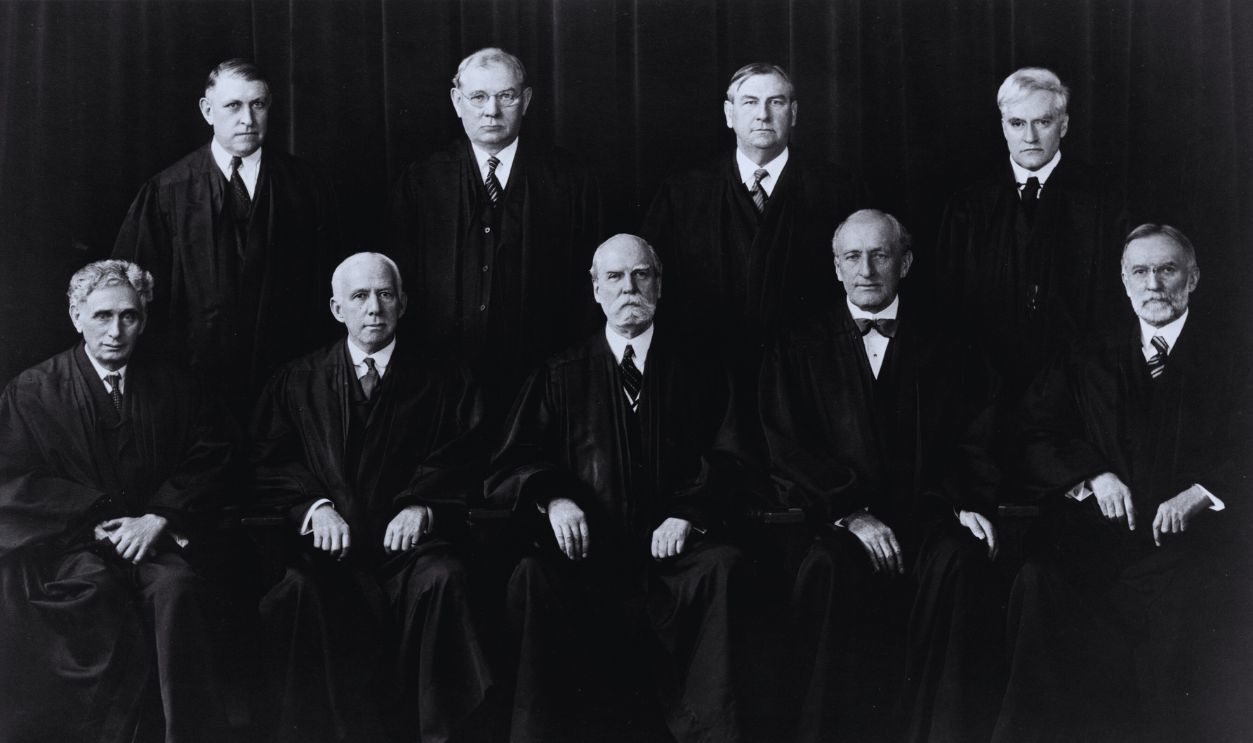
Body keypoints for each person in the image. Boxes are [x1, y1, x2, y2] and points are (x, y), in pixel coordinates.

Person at [995, 225, 1253, 743]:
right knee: (1040, 582)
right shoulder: (1086, 355)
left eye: (1168, 269)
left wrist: (1203, 493)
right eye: (1141, 271)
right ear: (1123, 279)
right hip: (1097, 543)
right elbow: (1034, 435)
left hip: (1191, 548)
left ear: (1193, 278)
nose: (1154, 284)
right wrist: (1093, 475)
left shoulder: (1233, 355)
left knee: (1190, 606)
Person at [488, 235, 748, 743]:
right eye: (614, 277)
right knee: (531, 576)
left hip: (673, 563)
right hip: (588, 562)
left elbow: (732, 457)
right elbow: (513, 460)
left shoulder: (699, 371)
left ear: (659, 284)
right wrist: (554, 498)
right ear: (595, 288)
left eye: (640, 275)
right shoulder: (559, 373)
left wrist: (689, 514)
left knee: (725, 567)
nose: (628, 287)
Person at [758, 210, 1003, 743]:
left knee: (962, 562)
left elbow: (976, 435)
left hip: (930, 516)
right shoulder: (797, 346)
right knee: (823, 569)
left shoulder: (951, 344)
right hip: (840, 524)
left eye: (881, 254)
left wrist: (965, 501)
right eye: (853, 257)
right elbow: (784, 446)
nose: (866, 269)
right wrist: (850, 512)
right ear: (836, 268)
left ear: (906, 262)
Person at [249, 252, 496, 743]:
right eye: (359, 297)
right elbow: (268, 461)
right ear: (337, 308)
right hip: (331, 554)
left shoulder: (444, 379)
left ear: (403, 303)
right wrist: (314, 508)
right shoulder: (298, 380)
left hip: (409, 553)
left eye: (385, 294)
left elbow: (469, 455)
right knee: (295, 591)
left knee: (445, 579)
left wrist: (421, 505)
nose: (374, 308)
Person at [0, 260, 235, 743]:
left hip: (153, 541)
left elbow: (210, 458)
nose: (115, 331)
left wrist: (158, 517)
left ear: (143, 320)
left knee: (178, 589)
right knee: (94, 598)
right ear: (76, 315)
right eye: (102, 316)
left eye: (128, 316)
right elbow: (14, 479)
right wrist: (90, 519)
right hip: (70, 547)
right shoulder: (32, 392)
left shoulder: (177, 387)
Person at [113, 58, 341, 420]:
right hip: (192, 390)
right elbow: (135, 299)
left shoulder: (307, 186)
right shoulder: (167, 191)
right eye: (233, 105)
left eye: (258, 104)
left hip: (287, 385)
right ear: (207, 110)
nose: (247, 119)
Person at [387, 47, 605, 421]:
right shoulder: (422, 181)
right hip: (442, 384)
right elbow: (401, 284)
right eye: (478, 97)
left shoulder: (569, 180)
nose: (492, 110)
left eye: (506, 96)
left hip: (544, 382)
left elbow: (591, 287)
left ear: (527, 100)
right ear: (457, 101)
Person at [936, 66, 1129, 402]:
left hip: (1079, 389)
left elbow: (1117, 306)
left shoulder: (1104, 201)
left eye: (1042, 122)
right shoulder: (968, 207)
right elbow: (948, 305)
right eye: (1017, 123)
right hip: (985, 391)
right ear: (1003, 127)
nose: (1030, 138)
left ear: (1064, 125)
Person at [641, 62, 865, 348]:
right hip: (710, 368)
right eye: (750, 103)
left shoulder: (838, 191)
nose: (763, 115)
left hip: (812, 366)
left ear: (793, 113)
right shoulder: (683, 194)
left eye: (776, 102)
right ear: (729, 114)